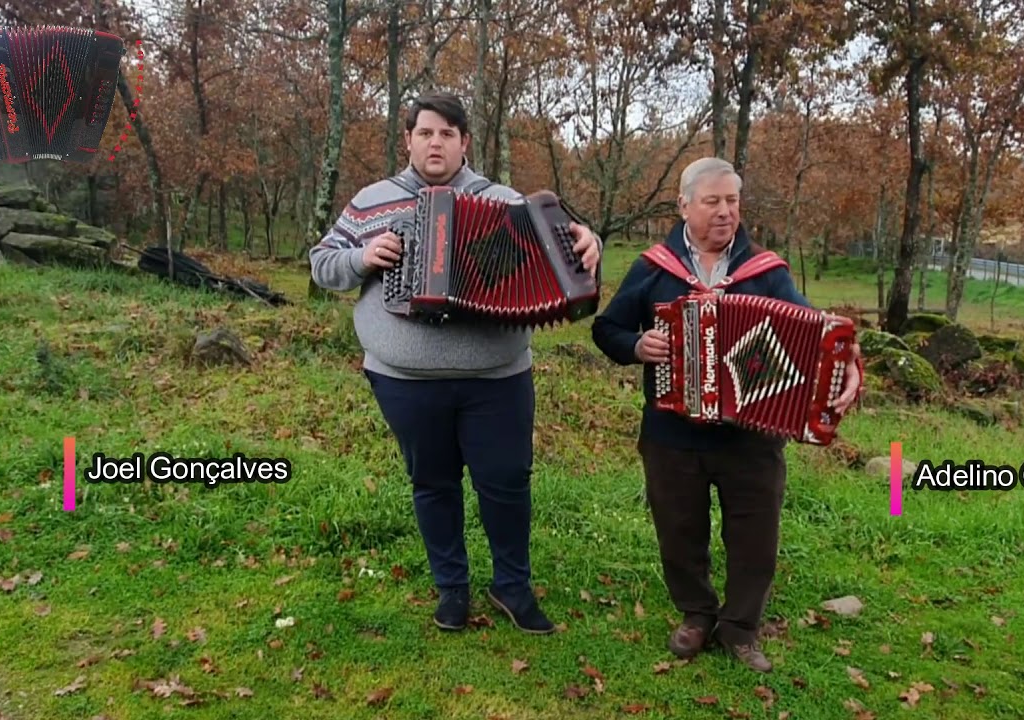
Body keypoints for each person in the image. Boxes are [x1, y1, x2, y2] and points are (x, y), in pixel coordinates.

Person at [309, 92, 602, 636]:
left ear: (465, 142)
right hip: (404, 380)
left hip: (497, 378)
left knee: (507, 482)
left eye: (447, 133)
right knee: (433, 482)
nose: (435, 142)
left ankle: (512, 585)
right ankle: (452, 589)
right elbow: (323, 263)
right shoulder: (373, 200)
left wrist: (589, 243)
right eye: (425, 132)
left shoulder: (503, 200)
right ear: (409, 140)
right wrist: (361, 256)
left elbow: (565, 247)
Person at [590, 157, 862, 672]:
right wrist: (636, 345)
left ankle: (740, 628)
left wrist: (849, 363)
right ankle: (696, 614)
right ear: (684, 205)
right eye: (712, 201)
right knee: (678, 529)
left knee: (755, 536)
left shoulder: (767, 272)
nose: (724, 212)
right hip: (672, 433)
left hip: (751, 439)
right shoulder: (653, 268)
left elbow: (817, 335)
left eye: (732, 201)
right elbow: (607, 329)